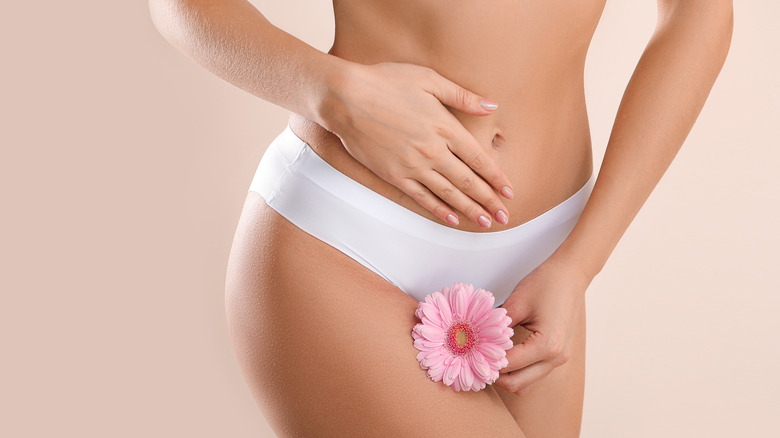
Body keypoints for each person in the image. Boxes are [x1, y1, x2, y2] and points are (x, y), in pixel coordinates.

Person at [150, 0, 733, 436]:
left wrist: (580, 264)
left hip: (548, 259)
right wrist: (331, 92)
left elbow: (699, 14)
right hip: (351, 244)